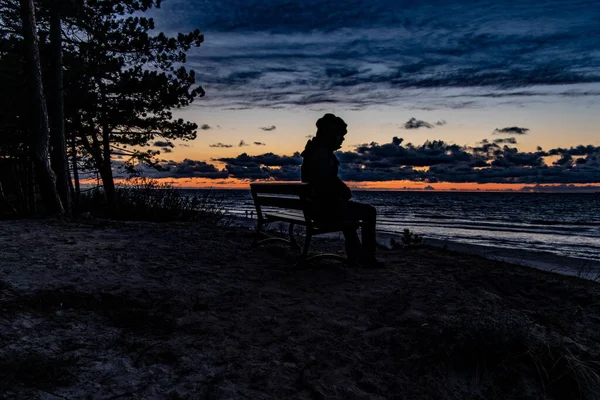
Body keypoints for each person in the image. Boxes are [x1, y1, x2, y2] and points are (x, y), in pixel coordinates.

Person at [300, 113, 384, 268]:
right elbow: (325, 183)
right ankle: (367, 258)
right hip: (324, 211)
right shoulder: (321, 155)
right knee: (369, 212)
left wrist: (340, 190)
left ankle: (356, 254)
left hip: (314, 208)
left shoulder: (313, 152)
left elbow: (323, 181)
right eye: (340, 136)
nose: (343, 140)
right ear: (331, 135)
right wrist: (343, 191)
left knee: (348, 210)